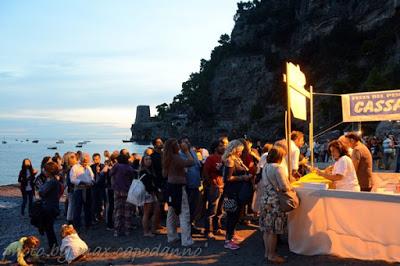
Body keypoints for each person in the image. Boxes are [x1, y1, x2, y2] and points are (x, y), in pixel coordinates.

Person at [260, 146, 293, 264]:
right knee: (273, 230)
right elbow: (284, 187)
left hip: (265, 199)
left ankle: (267, 253)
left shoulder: (265, 167)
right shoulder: (278, 168)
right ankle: (272, 255)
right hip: (275, 201)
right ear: (280, 157)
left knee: (266, 229)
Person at [164, 138, 195, 247]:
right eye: (178, 144)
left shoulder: (167, 157)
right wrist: (187, 151)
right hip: (178, 187)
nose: (179, 145)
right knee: (184, 213)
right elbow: (192, 162)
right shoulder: (176, 157)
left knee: (171, 212)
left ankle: (171, 236)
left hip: (170, 186)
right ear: (174, 147)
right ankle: (186, 240)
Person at [222, 140, 252, 250]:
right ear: (234, 150)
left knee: (236, 214)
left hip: (237, 191)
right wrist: (243, 178)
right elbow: (227, 178)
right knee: (231, 215)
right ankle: (228, 240)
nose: (241, 153)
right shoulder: (230, 161)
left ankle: (232, 235)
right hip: (231, 192)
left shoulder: (236, 159)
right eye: (239, 151)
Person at [179, 137, 202, 234]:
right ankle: (187, 229)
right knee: (188, 207)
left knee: (194, 207)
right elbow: (191, 163)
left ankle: (191, 225)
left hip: (196, 183)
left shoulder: (192, 151)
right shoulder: (180, 154)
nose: (187, 144)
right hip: (188, 184)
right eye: (185, 142)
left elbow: (197, 164)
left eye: (188, 142)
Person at [202, 140, 225, 239]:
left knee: (220, 209)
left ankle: (216, 228)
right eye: (221, 146)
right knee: (212, 210)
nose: (223, 147)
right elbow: (205, 172)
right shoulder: (210, 158)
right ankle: (208, 231)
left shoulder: (224, 158)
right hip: (214, 186)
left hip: (222, 185)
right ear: (216, 148)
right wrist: (210, 185)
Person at [110, 152, 135, 237]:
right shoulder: (129, 168)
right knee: (127, 211)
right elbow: (132, 178)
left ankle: (117, 231)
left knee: (118, 210)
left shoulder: (116, 166)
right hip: (127, 191)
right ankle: (127, 230)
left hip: (117, 191)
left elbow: (110, 173)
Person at [69, 153, 94, 231]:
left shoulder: (88, 168)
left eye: (87, 161)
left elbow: (92, 177)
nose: (86, 162)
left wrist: (92, 182)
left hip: (88, 189)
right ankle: (77, 226)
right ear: (81, 160)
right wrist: (83, 183)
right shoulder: (75, 167)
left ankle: (88, 224)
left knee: (88, 208)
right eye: (85, 161)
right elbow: (72, 179)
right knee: (78, 208)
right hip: (79, 190)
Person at [40, 161, 61, 251]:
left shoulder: (51, 182)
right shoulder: (53, 180)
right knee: (49, 228)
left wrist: (41, 190)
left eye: (45, 170)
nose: (43, 171)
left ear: (49, 171)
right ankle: (53, 246)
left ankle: (53, 247)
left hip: (49, 207)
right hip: (52, 206)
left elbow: (42, 192)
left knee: (49, 228)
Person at [138, 155, 160, 237]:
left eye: (150, 159)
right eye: (146, 159)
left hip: (152, 193)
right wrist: (154, 189)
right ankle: (146, 232)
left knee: (156, 210)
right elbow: (146, 184)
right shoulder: (143, 171)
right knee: (146, 213)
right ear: (143, 161)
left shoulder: (150, 170)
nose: (149, 160)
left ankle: (153, 229)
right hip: (147, 193)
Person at [90, 153, 105, 223]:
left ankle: (100, 216)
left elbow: (104, 177)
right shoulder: (91, 167)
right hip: (93, 187)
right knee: (93, 202)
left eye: (97, 159)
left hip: (101, 187)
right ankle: (93, 217)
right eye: (94, 159)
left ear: (100, 159)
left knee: (100, 202)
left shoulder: (103, 166)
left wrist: (99, 172)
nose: (96, 160)